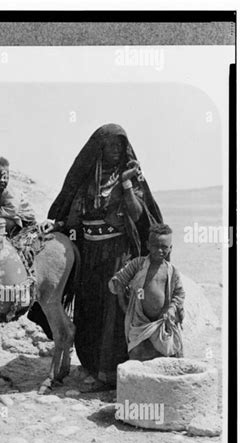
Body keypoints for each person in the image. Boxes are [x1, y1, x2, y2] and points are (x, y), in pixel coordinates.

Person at [46, 123, 164, 390]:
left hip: (118, 255)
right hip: (90, 255)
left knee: (114, 312)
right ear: (99, 148)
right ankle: (91, 365)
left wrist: (126, 185)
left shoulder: (132, 176)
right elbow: (75, 215)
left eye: (120, 146)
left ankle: (109, 374)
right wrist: (59, 226)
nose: (116, 150)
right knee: (89, 310)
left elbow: (138, 215)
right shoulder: (88, 179)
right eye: (110, 145)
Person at [108, 224, 184, 361]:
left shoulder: (172, 271)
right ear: (148, 245)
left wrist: (171, 309)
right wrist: (123, 305)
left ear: (171, 248)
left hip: (161, 322)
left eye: (164, 247)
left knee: (167, 354)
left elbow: (179, 294)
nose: (160, 250)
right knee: (137, 354)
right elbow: (119, 281)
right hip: (139, 322)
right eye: (156, 246)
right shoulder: (138, 264)